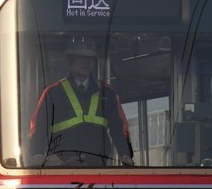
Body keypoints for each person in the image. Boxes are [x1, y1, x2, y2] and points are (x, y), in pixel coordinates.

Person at [29, 36, 134, 166]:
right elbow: (38, 126)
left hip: (98, 165)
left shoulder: (108, 92)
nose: (85, 62)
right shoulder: (52, 93)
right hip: (62, 166)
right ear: (69, 61)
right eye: (80, 58)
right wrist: (37, 155)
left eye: (89, 58)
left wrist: (125, 154)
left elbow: (119, 127)